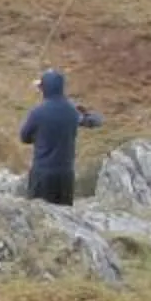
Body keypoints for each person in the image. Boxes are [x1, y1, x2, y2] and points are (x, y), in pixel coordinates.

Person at [19, 69, 99, 205]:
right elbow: (96, 121)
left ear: (45, 89)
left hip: (42, 176)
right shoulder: (72, 111)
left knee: (39, 218)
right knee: (63, 220)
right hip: (66, 176)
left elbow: (24, 137)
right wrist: (85, 112)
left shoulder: (37, 113)